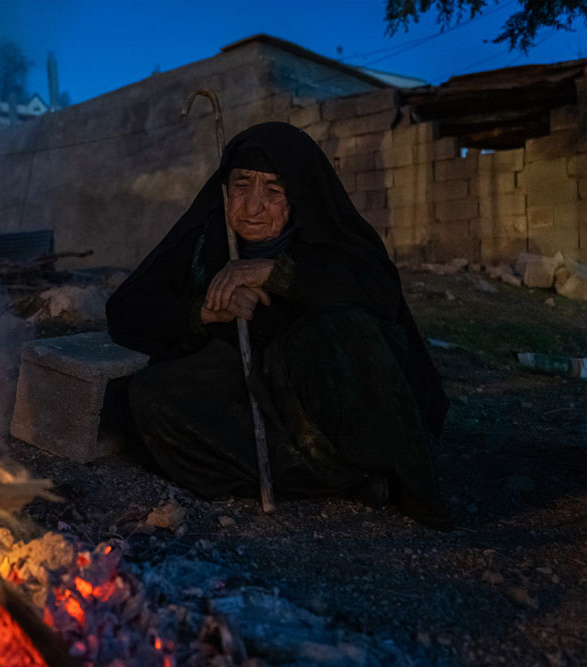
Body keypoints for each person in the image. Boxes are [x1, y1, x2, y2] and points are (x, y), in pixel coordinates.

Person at [106, 121, 453, 530]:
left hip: (322, 400)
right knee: (147, 397)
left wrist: (278, 274)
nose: (252, 207)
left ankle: (407, 482)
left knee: (344, 329)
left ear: (298, 194)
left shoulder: (330, 239)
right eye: (241, 186)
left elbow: (379, 296)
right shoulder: (205, 239)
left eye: (273, 191)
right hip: (246, 394)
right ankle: (340, 478)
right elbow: (125, 310)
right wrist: (203, 312)